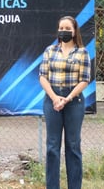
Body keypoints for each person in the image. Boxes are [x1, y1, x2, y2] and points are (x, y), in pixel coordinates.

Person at [39, 16, 91, 189]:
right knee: (52, 146)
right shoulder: (50, 50)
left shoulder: (82, 52)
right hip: (52, 100)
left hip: (74, 101)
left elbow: (84, 80)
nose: (64, 31)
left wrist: (67, 98)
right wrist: (55, 98)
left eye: (68, 28)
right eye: (61, 28)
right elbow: (42, 76)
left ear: (74, 31)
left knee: (73, 146)